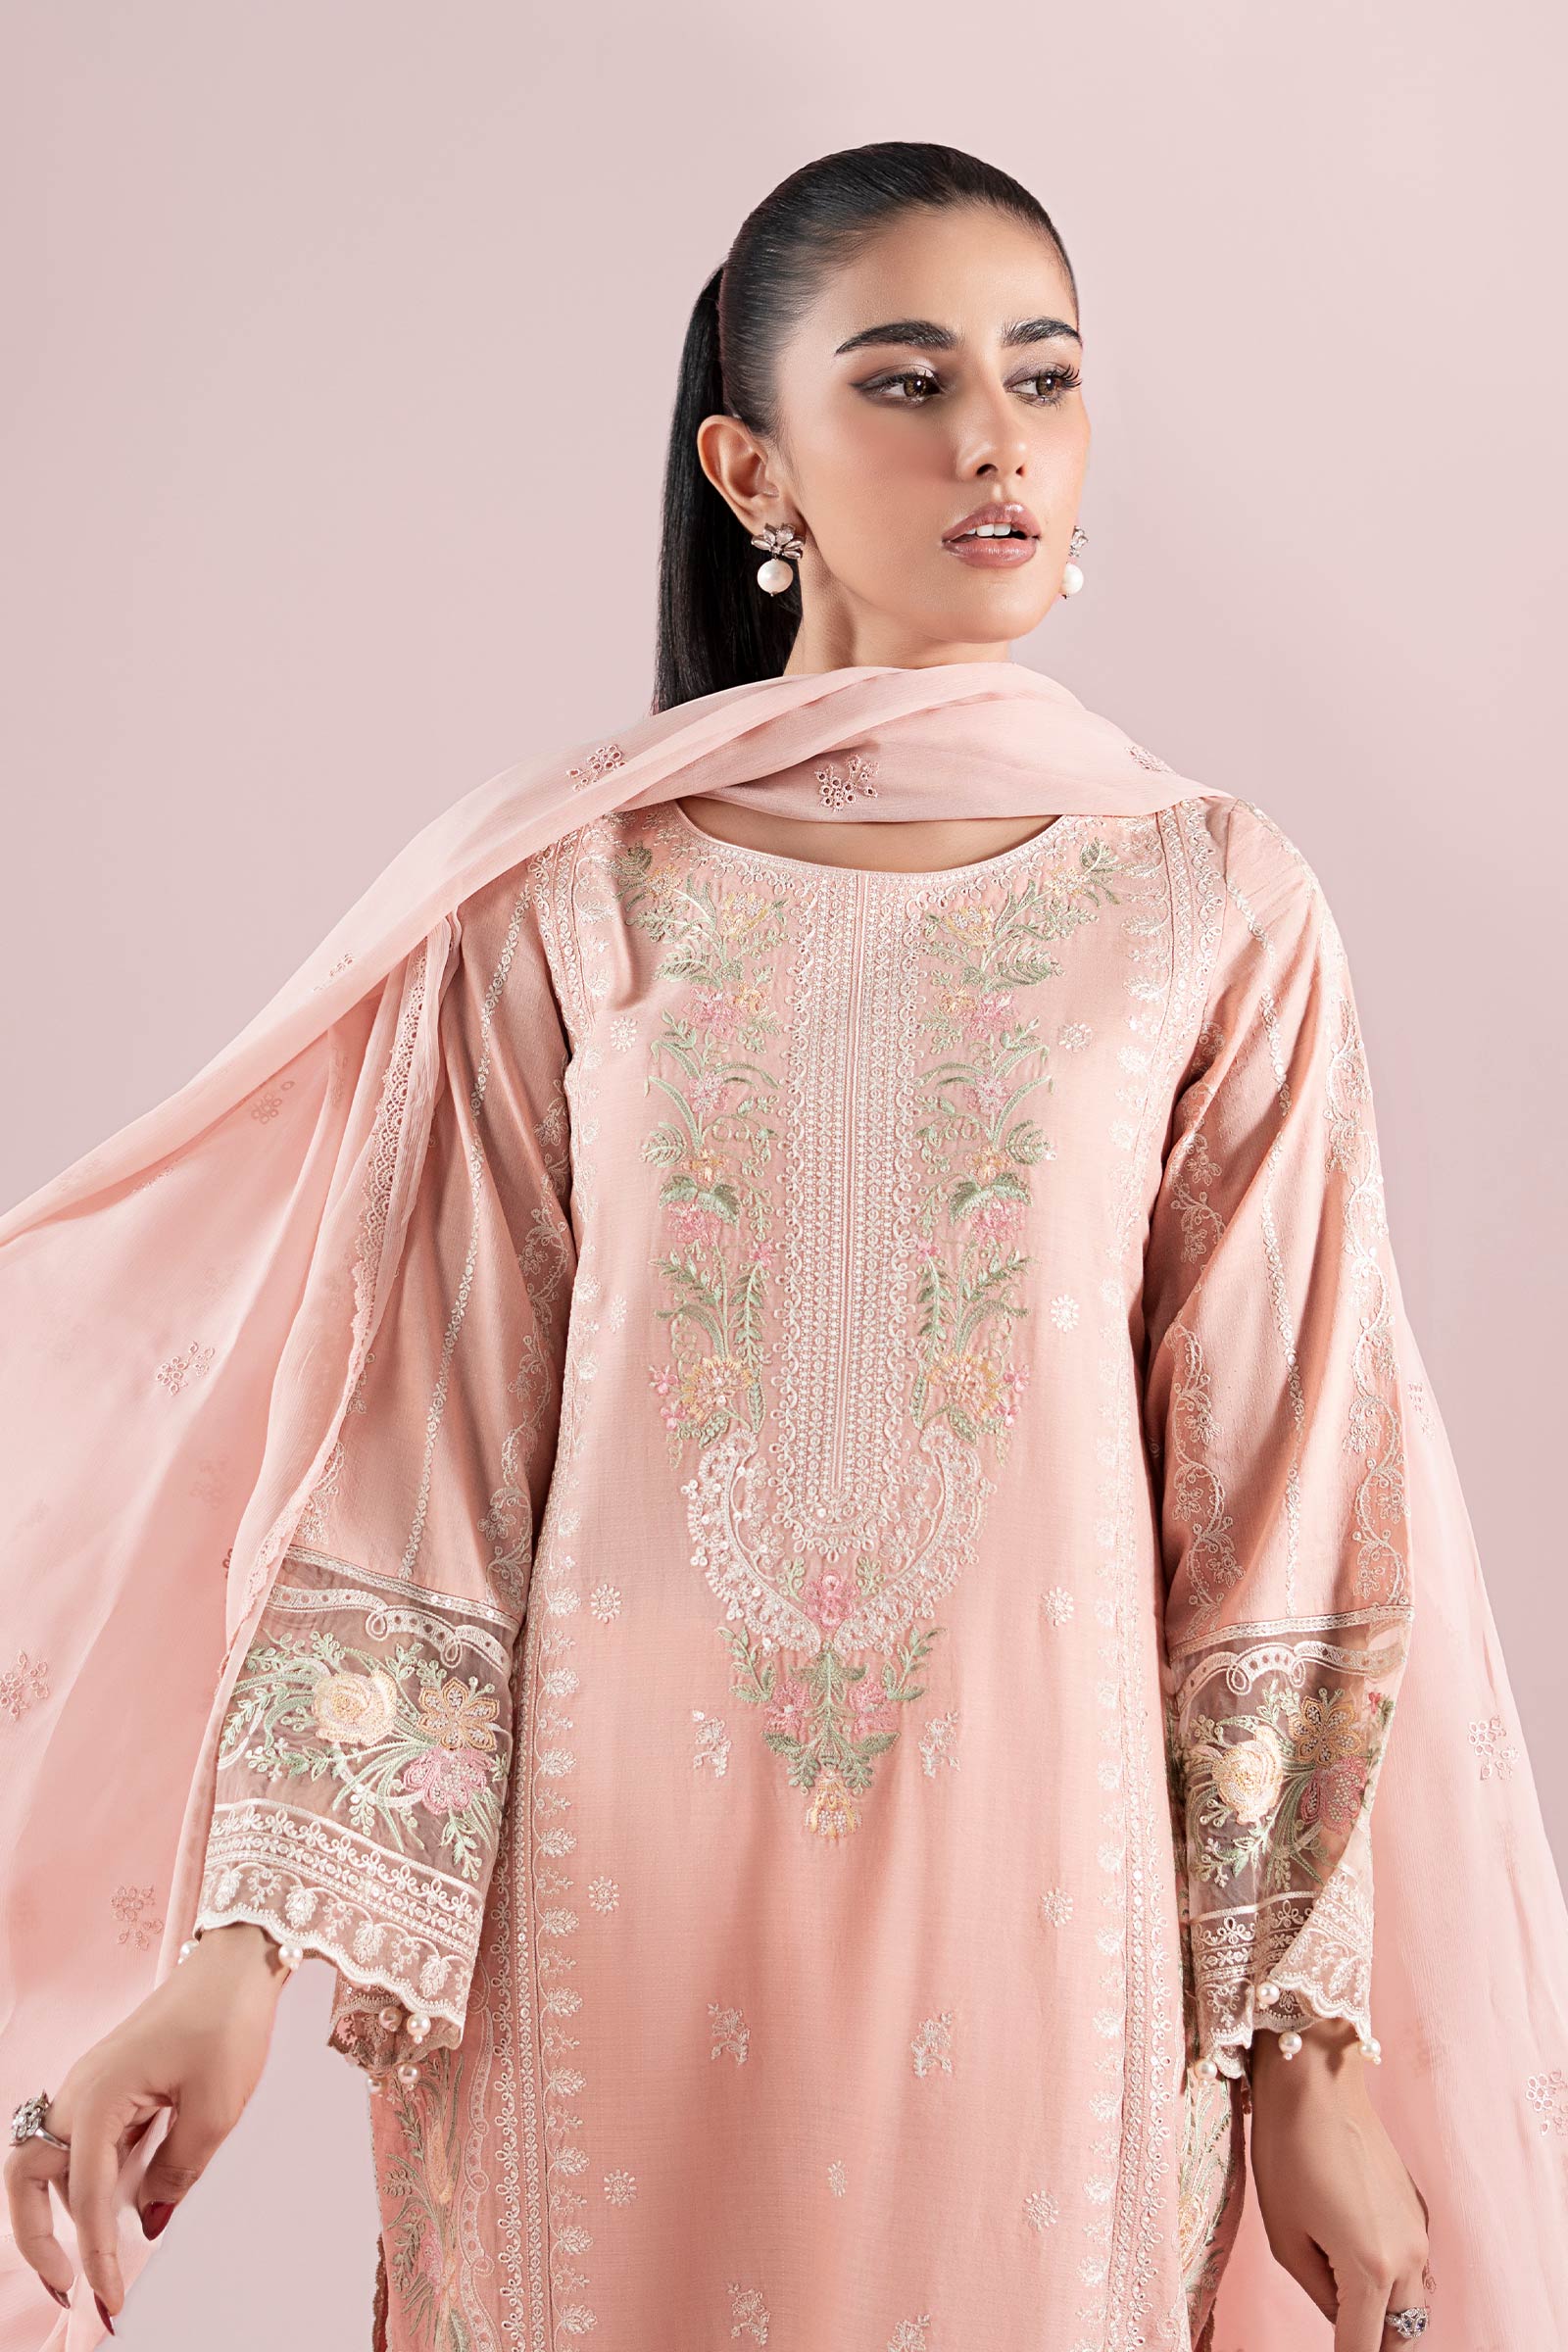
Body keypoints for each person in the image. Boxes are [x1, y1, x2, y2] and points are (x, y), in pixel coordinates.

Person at [3, 140, 1564, 2352]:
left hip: (1050, 1921)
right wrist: (235, 1959)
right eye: (908, 382)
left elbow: (1284, 1514)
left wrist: (1306, 2062)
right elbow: (416, 1478)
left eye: (1042, 376)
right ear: (752, 468)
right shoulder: (567, 895)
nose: (995, 439)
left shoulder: (1209, 903)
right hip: (596, 1925)